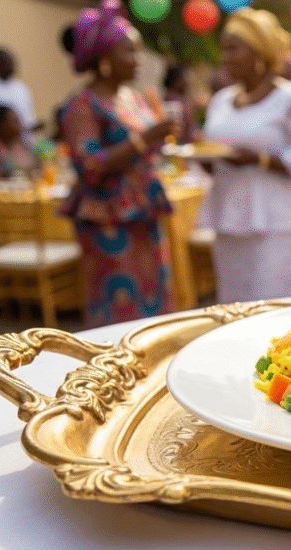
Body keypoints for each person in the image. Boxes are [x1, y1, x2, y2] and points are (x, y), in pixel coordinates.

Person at [201, 7, 291, 304]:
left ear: (259, 52)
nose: (225, 58)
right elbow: (212, 149)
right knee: (232, 305)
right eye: (224, 50)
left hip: (279, 220)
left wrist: (259, 159)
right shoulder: (221, 101)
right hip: (229, 217)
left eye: (233, 49)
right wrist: (205, 160)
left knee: (270, 305)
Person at [59, 0, 179, 327]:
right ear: (103, 59)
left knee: (154, 302)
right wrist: (145, 137)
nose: (138, 61)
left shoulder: (133, 98)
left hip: (144, 213)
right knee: (119, 308)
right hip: (108, 222)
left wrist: (158, 138)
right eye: (129, 52)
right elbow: (91, 166)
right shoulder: (82, 106)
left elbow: (143, 152)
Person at [0, 47, 40, 135]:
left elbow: (28, 120)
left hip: (23, 143)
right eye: (7, 61)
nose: (11, 64)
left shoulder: (21, 88)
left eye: (12, 61)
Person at [0, 105, 35, 180]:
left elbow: (32, 168)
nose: (20, 126)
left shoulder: (18, 146)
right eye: (15, 121)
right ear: (0, 125)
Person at [162, 65, 200, 144]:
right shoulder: (171, 100)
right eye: (184, 78)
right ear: (176, 80)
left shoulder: (183, 98)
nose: (187, 81)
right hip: (179, 143)